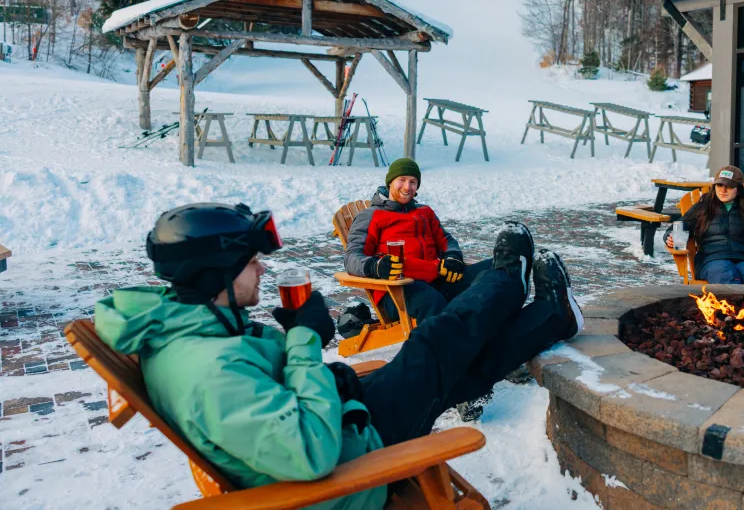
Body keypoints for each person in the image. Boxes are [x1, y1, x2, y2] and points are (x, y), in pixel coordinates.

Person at [95, 202, 582, 509]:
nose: (261, 270)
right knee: (436, 341)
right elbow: (310, 455)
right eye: (249, 262)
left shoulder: (184, 324)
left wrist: (309, 358)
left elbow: (262, 390)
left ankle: (550, 316)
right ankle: (504, 280)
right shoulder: (208, 372)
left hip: (336, 415)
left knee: (448, 371)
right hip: (350, 467)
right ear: (213, 275)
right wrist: (306, 342)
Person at [344, 158, 488, 324]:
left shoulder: (424, 211)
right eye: (402, 180)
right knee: (432, 301)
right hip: (399, 289)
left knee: (497, 268)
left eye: (413, 182)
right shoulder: (371, 215)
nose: (407, 187)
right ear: (390, 182)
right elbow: (352, 257)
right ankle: (449, 347)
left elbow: (445, 239)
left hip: (437, 280)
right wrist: (375, 266)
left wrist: (453, 256)